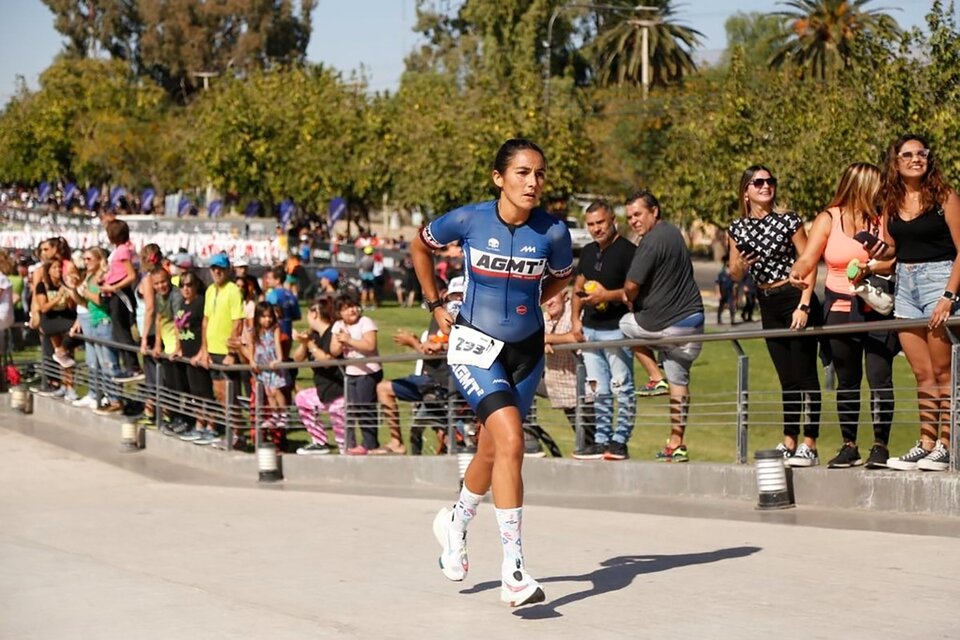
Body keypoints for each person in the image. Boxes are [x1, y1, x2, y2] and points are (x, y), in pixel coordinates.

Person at [413, 138, 573, 607]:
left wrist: (542, 295)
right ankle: (515, 570)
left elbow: (562, 274)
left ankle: (456, 522)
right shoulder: (468, 220)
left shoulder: (554, 232)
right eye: (523, 173)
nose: (533, 182)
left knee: (491, 446)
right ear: (499, 178)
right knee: (511, 441)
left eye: (540, 173)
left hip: (526, 350)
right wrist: (434, 302)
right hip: (474, 346)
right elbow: (419, 247)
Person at [789, 163, 898, 469]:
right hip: (839, 308)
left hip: (875, 306)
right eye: (876, 185)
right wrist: (797, 273)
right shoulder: (829, 218)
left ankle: (880, 445)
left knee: (880, 378)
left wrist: (871, 267)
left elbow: (893, 259)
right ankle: (849, 445)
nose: (882, 190)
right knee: (847, 380)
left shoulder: (882, 216)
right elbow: (808, 258)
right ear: (860, 186)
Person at [870, 134, 960, 471]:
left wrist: (949, 297)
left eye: (921, 153)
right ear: (895, 162)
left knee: (944, 372)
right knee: (922, 374)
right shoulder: (890, 201)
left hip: (941, 281)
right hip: (906, 286)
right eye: (907, 154)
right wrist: (880, 253)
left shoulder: (945, 196)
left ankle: (947, 445)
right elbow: (892, 249)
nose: (915, 158)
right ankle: (926, 442)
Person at [728, 166, 822, 466]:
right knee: (787, 379)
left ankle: (810, 443)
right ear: (746, 190)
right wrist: (741, 264)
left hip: (794, 296)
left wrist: (805, 304)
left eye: (770, 181)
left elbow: (809, 261)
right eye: (759, 182)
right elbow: (734, 272)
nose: (766, 186)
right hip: (766, 301)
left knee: (806, 375)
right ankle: (789, 441)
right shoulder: (737, 228)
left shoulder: (789, 220)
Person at [619, 189, 705, 463]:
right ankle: (676, 443)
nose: (633, 221)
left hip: (664, 326)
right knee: (679, 381)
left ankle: (655, 377)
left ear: (654, 211)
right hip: (693, 325)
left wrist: (629, 298)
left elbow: (631, 286)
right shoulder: (673, 234)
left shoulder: (651, 242)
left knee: (625, 325)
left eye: (638, 214)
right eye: (630, 216)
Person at [570, 199, 635, 461]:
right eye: (592, 224)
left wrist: (608, 295)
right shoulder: (588, 252)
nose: (597, 229)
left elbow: (633, 292)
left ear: (612, 221)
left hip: (617, 330)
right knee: (598, 389)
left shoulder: (628, 251)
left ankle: (620, 441)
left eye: (601, 223)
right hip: (591, 331)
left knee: (623, 387)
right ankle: (601, 440)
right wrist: (575, 320)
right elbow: (577, 287)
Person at [375, 278, 464, 456]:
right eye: (453, 296)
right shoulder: (438, 317)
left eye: (460, 296)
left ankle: (447, 445)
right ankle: (396, 441)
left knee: (436, 425)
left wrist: (413, 342)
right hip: (430, 380)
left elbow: (434, 350)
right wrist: (420, 344)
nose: (456, 300)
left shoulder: (462, 318)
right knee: (383, 389)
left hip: (447, 383)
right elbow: (430, 349)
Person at [193, 253, 245, 445]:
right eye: (213, 268)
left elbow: (237, 323)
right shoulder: (210, 291)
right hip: (212, 350)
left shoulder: (233, 290)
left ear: (227, 270)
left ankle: (238, 435)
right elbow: (206, 321)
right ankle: (230, 432)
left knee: (229, 396)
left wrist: (231, 352)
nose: (216, 271)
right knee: (219, 395)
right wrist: (204, 349)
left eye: (220, 268)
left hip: (225, 352)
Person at [292, 295, 345, 455]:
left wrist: (309, 344)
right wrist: (303, 342)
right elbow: (297, 359)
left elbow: (327, 360)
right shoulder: (314, 335)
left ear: (314, 313)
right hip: (323, 390)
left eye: (308, 313)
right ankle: (319, 442)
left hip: (339, 392)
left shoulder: (333, 333)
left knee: (344, 443)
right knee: (302, 398)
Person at [72, 248, 122, 415]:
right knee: (99, 362)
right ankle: (106, 395)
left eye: (89, 259)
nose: (86, 262)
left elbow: (101, 300)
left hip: (104, 321)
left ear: (99, 259)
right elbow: (85, 303)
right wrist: (73, 290)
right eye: (84, 259)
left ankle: (115, 398)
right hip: (94, 320)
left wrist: (84, 291)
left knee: (109, 362)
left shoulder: (102, 276)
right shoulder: (89, 277)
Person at [332, 293, 383, 454]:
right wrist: (340, 342)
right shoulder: (338, 325)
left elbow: (370, 346)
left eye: (353, 307)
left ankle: (370, 444)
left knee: (365, 407)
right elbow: (333, 351)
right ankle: (355, 443)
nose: (352, 311)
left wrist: (349, 340)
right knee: (353, 409)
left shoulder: (365, 322)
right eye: (346, 309)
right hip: (351, 372)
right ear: (339, 312)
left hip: (368, 371)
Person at [543, 288, 593, 444]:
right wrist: (544, 341)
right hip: (558, 386)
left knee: (591, 439)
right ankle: (531, 443)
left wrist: (547, 338)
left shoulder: (574, 311)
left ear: (564, 295)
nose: (549, 302)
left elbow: (576, 336)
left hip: (582, 390)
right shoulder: (546, 317)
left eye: (553, 296)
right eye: (545, 299)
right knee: (517, 391)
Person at [245, 301, 288, 445]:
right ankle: (275, 415)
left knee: (276, 390)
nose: (267, 320)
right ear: (258, 317)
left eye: (269, 316)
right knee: (269, 392)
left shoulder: (275, 329)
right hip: (262, 365)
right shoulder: (253, 331)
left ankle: (283, 414)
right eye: (263, 317)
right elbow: (251, 347)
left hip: (273, 364)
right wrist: (251, 360)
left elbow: (276, 343)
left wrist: (279, 359)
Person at [715, 259, 738, 325]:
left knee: (731, 307)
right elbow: (717, 284)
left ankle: (732, 320)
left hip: (729, 293)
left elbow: (734, 285)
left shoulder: (732, 276)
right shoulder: (721, 275)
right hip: (723, 292)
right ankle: (719, 320)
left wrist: (735, 295)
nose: (729, 269)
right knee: (721, 306)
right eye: (728, 267)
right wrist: (718, 293)